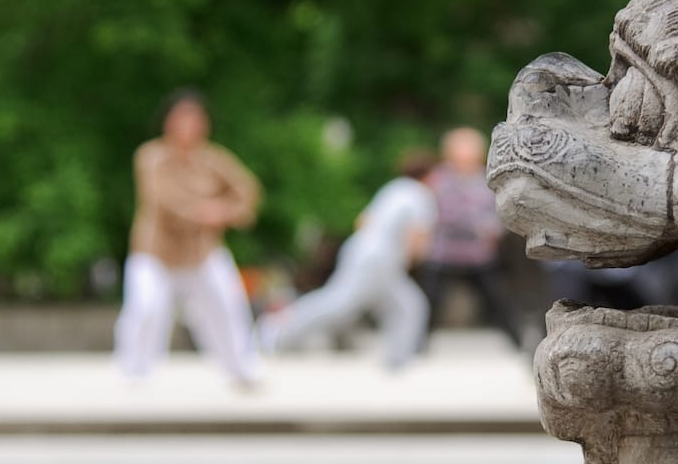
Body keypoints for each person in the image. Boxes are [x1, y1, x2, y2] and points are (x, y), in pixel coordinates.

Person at [114, 89, 263, 387]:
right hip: (156, 251)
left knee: (226, 305)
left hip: (202, 252)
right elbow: (162, 200)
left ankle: (241, 367)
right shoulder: (151, 156)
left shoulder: (213, 159)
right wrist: (204, 212)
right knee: (146, 306)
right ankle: (135, 369)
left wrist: (227, 211)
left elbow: (248, 191)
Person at [259, 155, 438, 370]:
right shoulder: (420, 195)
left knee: (407, 305)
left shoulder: (394, 188)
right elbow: (417, 237)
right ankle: (278, 327)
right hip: (380, 258)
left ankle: (399, 359)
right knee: (341, 304)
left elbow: (363, 220)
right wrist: (409, 259)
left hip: (363, 248)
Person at [416, 127, 526, 349]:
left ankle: (519, 343)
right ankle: (417, 344)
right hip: (443, 251)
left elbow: (500, 211)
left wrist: (493, 229)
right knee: (430, 300)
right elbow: (434, 211)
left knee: (497, 298)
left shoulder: (488, 177)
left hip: (477, 253)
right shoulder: (438, 178)